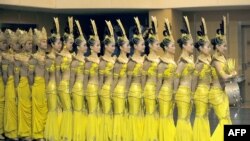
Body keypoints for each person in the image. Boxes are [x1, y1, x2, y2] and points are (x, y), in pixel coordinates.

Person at [209, 16, 237, 141]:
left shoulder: (223, 58)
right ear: (218, 46)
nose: (226, 48)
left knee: (227, 118)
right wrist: (231, 75)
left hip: (223, 91)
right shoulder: (215, 60)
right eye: (224, 46)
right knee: (223, 119)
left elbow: (227, 72)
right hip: (215, 92)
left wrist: (232, 71)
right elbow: (223, 75)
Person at [174, 16, 194, 141]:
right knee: (182, 118)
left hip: (188, 92)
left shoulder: (190, 59)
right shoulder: (182, 61)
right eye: (191, 44)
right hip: (182, 92)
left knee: (186, 118)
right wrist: (175, 92)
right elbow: (176, 77)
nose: (193, 46)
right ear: (184, 46)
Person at [157, 18, 177, 141]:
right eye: (172, 46)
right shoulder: (162, 62)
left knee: (169, 116)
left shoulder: (173, 60)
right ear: (166, 47)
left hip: (171, 92)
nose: (174, 48)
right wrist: (157, 95)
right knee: (164, 116)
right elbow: (159, 81)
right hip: (164, 92)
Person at [192, 17, 212, 141]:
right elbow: (194, 80)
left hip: (208, 91)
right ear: (200, 49)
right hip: (200, 92)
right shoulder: (199, 63)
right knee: (200, 116)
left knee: (205, 116)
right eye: (207, 47)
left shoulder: (209, 59)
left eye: (210, 47)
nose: (209, 49)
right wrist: (192, 94)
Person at [142, 16, 160, 141]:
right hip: (148, 88)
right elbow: (143, 77)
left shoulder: (160, 59)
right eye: (157, 44)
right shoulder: (147, 59)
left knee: (156, 114)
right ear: (150, 45)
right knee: (150, 113)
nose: (159, 46)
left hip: (157, 89)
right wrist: (143, 92)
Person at [127, 17, 145, 141]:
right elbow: (128, 79)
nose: (144, 46)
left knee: (140, 114)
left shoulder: (145, 59)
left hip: (142, 89)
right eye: (142, 44)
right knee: (134, 114)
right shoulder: (131, 61)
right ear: (135, 46)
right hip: (133, 90)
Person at [56, 17, 74, 141]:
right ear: (64, 43)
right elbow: (57, 74)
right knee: (67, 108)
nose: (71, 44)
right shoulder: (60, 56)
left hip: (72, 84)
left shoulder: (72, 55)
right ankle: (65, 135)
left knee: (70, 109)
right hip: (63, 85)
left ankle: (69, 133)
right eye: (70, 43)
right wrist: (57, 88)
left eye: (72, 43)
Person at [44, 17, 62, 141]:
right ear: (52, 44)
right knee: (53, 109)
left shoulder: (61, 57)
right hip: (52, 85)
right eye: (58, 43)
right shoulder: (49, 58)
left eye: (61, 43)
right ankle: (52, 135)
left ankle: (60, 132)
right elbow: (47, 75)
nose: (60, 45)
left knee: (60, 109)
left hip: (60, 85)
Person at [29, 27, 48, 140]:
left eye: (46, 41)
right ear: (38, 43)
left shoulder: (48, 56)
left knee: (45, 109)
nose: (45, 43)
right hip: (38, 84)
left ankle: (45, 132)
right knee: (38, 109)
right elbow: (30, 74)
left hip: (47, 84)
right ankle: (37, 133)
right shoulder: (34, 57)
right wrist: (33, 86)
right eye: (43, 41)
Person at [70, 19, 88, 141]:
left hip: (85, 87)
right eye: (84, 45)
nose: (86, 47)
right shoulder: (75, 60)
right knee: (78, 110)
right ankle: (77, 135)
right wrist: (71, 90)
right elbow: (72, 77)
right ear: (78, 47)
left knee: (84, 110)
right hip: (77, 87)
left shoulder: (87, 60)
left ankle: (83, 134)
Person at [98, 20, 116, 141]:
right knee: (106, 113)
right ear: (106, 46)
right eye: (112, 46)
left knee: (113, 114)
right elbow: (100, 79)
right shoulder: (102, 60)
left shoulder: (115, 59)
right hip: (105, 89)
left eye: (115, 46)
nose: (114, 48)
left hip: (115, 89)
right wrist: (100, 92)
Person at [84, 19, 101, 141]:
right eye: (97, 45)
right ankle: (91, 136)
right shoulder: (88, 60)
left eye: (100, 45)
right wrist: (84, 91)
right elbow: (85, 78)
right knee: (92, 111)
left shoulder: (101, 60)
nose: (99, 47)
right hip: (91, 87)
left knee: (98, 111)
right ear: (91, 47)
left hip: (99, 87)